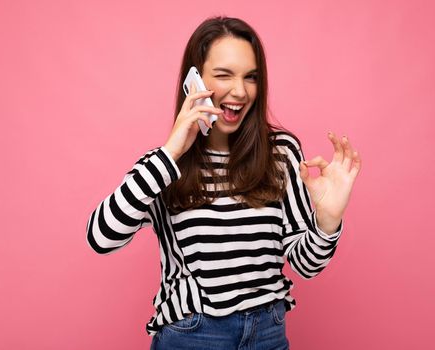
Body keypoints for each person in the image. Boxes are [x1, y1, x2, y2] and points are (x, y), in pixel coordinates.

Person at [86, 16, 361, 350]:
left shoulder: (282, 153)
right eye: (224, 75)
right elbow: (101, 238)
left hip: (268, 332)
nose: (240, 91)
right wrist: (172, 150)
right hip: (193, 335)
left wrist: (328, 221)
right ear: (194, 81)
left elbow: (306, 266)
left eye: (251, 77)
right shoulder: (164, 165)